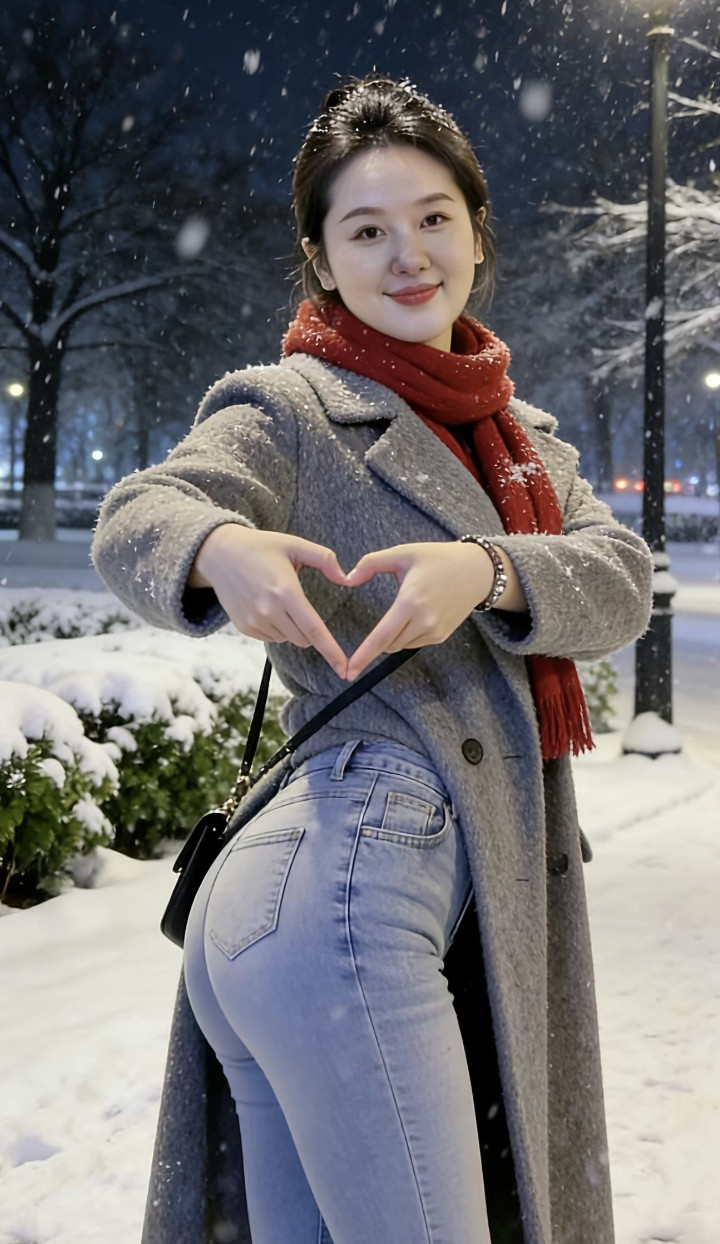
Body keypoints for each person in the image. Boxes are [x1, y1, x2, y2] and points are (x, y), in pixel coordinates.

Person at [91, 75, 653, 1244]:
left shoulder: (530, 443)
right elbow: (144, 509)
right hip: (351, 877)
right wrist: (221, 545)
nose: (409, 254)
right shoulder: (294, 404)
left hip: (334, 905)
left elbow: (619, 577)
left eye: (434, 217)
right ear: (320, 256)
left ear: (477, 231)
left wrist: (489, 572)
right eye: (367, 229)